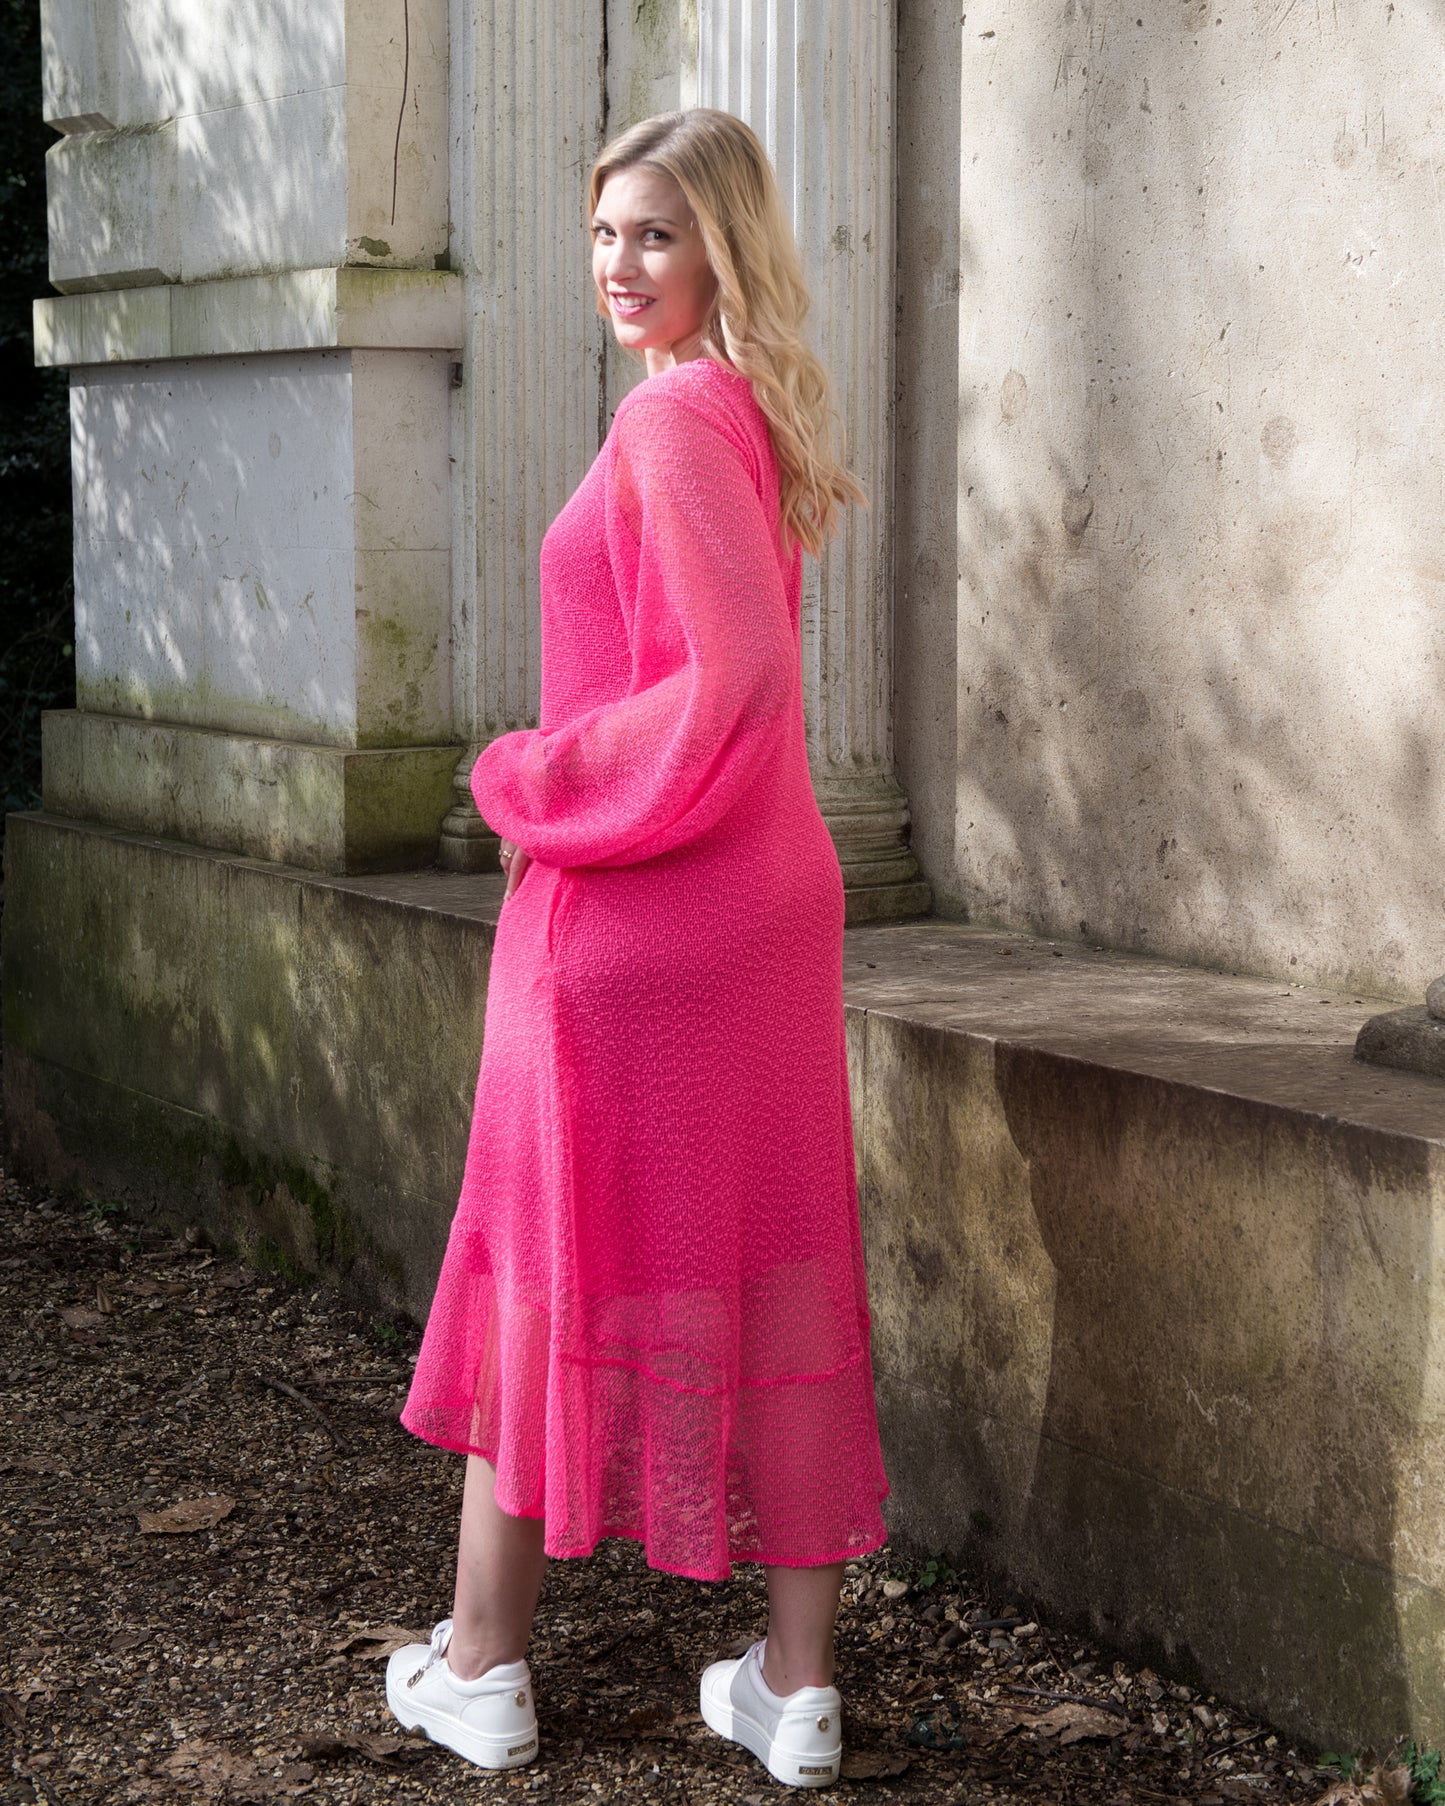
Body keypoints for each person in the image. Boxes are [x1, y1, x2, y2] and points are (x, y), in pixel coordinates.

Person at [384, 107, 889, 1790]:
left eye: (655, 234)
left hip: (636, 910)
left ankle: (480, 1668)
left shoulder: (674, 416)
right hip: (762, 905)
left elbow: (731, 678)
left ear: (722, 247)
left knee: (542, 1271)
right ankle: (793, 1692)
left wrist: (532, 774)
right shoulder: (748, 410)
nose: (619, 264)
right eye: (603, 233)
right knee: (782, 1260)